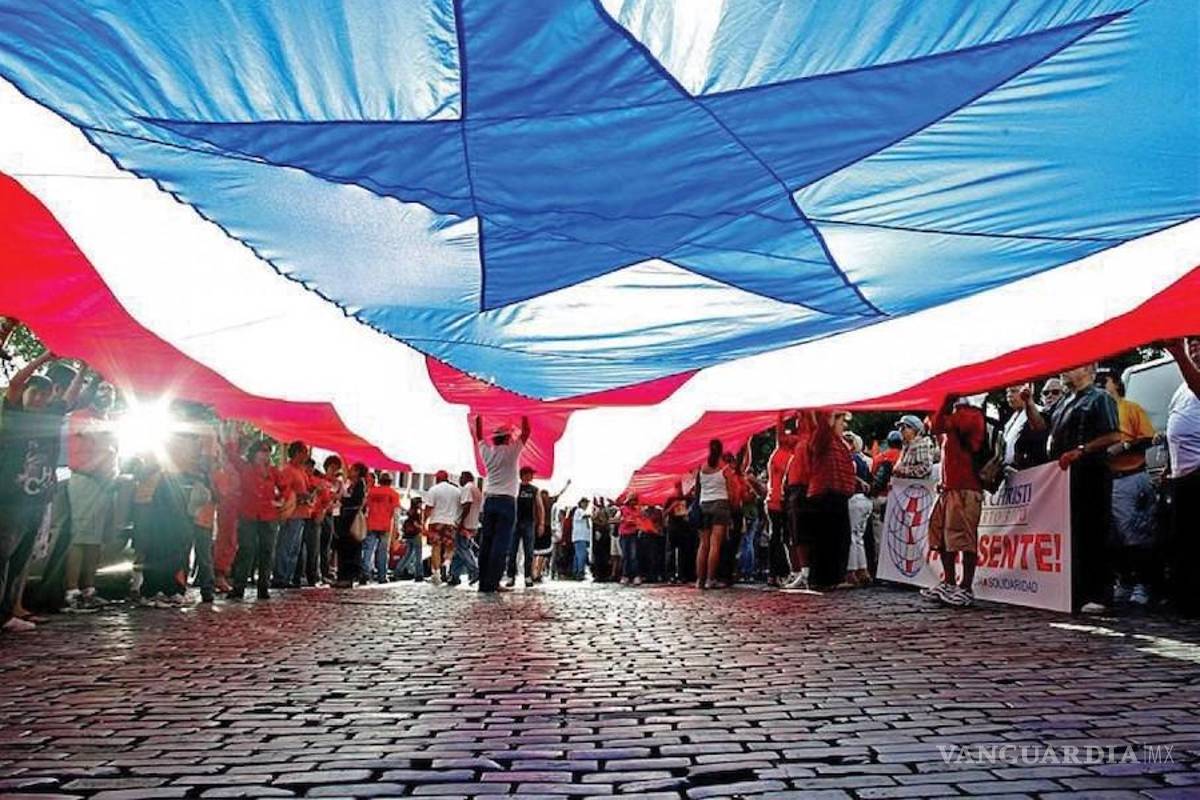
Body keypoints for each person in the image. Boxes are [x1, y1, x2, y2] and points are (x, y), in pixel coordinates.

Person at [1047, 363, 1121, 614]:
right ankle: (1075, 591)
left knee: (1093, 531)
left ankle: (1099, 594)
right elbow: (1042, 428)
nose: (1065, 370)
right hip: (1066, 478)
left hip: (1091, 473)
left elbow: (1113, 436)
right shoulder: (1064, 402)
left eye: (1073, 366)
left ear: (1089, 368)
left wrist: (1081, 450)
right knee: (1073, 533)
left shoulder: (1099, 398)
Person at [0, 351, 64, 631]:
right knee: (1, 557)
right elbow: (16, 382)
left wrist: (86, 368)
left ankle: (6, 614)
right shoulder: (14, 416)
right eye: (34, 392)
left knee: (19, 562)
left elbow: (70, 399)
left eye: (44, 395)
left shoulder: (49, 420)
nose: (39, 398)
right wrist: (45, 358)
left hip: (37, 500)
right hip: (10, 499)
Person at [1097, 371, 1157, 606]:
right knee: (1112, 536)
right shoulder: (1098, 412)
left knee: (1136, 532)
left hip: (1130, 476)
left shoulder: (1130, 408)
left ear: (1117, 384)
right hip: (1106, 480)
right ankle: (1125, 581)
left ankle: (1143, 584)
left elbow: (1147, 438)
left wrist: (1123, 446)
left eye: (1105, 380)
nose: (1101, 384)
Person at [922, 396, 987, 607]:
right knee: (941, 537)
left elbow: (937, 425)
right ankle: (949, 582)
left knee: (964, 538)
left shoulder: (971, 415)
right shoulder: (957, 415)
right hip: (949, 488)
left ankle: (966, 587)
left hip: (966, 487)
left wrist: (943, 401)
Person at [62, 381, 118, 611]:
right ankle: (71, 592)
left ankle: (89, 589)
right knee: (81, 536)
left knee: (95, 539)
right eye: (102, 388)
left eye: (111, 390)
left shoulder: (110, 420)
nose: (107, 394)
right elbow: (98, 443)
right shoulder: (80, 415)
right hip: (86, 478)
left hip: (105, 483)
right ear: (92, 391)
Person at [474, 415, 530, 593]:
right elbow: (526, 433)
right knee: (501, 543)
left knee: (486, 542)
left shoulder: (487, 452)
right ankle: (493, 582)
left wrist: (479, 419)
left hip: (490, 501)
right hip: (507, 502)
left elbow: (479, 437)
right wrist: (525, 414)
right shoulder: (511, 452)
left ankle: (483, 582)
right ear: (507, 438)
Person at [1165, 337, 1200, 616]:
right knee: (1183, 541)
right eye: (1191, 344)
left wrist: (1178, 355)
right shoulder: (1180, 388)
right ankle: (1186, 599)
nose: (1195, 347)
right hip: (1181, 474)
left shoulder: (1191, 379)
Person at [806, 411, 858, 590]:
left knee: (839, 539)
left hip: (837, 495)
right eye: (842, 421)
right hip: (826, 494)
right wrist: (828, 418)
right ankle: (823, 580)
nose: (844, 426)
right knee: (826, 540)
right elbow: (821, 430)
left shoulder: (839, 443)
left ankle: (833, 578)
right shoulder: (824, 438)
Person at [228, 440, 281, 600]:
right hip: (248, 514)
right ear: (254, 453)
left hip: (268, 515)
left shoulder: (273, 471)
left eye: (267, 451)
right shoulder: (245, 467)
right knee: (246, 550)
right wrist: (233, 438)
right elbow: (232, 455)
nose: (265, 454)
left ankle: (263, 588)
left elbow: (286, 487)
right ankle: (239, 588)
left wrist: (281, 500)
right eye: (262, 451)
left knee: (267, 551)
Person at [695, 438, 735, 590]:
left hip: (704, 505)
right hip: (721, 505)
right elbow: (731, 492)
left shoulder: (702, 468)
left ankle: (700, 580)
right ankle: (711, 579)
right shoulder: (725, 469)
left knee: (703, 545)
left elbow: (697, 490)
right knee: (715, 544)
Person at [782, 413, 815, 589]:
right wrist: (780, 416)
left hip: (805, 488)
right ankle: (804, 571)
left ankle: (807, 571)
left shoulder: (811, 439)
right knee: (797, 533)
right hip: (796, 490)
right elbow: (781, 438)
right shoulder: (799, 440)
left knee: (803, 532)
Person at [272, 440, 311, 588]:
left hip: (301, 514)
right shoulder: (288, 470)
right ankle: (280, 577)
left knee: (294, 548)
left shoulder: (301, 471)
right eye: (304, 452)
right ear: (297, 453)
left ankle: (287, 577)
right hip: (292, 514)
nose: (306, 455)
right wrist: (299, 496)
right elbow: (283, 491)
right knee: (286, 547)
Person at [843, 431, 872, 587]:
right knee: (858, 537)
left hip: (854, 499)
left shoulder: (850, 459)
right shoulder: (862, 460)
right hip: (864, 500)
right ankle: (863, 570)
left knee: (853, 537)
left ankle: (851, 571)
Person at [506, 466, 543, 588]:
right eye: (530, 474)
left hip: (529, 522)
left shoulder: (534, 490)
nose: (532, 476)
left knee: (529, 551)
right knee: (512, 551)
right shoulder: (515, 487)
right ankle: (511, 576)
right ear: (524, 475)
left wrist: (541, 523)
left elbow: (539, 507)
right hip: (514, 522)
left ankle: (528, 576)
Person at [332, 462, 368, 588]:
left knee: (349, 550)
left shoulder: (360, 484)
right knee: (344, 549)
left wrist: (341, 499)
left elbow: (356, 501)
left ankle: (347, 578)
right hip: (345, 520)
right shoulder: (351, 484)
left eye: (352, 469)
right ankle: (343, 576)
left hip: (350, 521)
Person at [362, 472, 400, 584]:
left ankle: (365, 573)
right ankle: (382, 576)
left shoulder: (372, 492)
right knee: (383, 552)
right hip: (385, 525)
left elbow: (365, 506)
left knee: (369, 550)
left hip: (371, 524)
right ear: (390, 482)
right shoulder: (394, 494)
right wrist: (396, 529)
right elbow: (395, 513)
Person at [424, 470, 460, 585]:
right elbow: (460, 508)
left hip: (436, 521)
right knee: (450, 547)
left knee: (436, 547)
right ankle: (446, 564)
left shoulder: (434, 489)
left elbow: (429, 507)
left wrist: (424, 520)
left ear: (437, 478)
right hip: (451, 522)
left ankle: (437, 574)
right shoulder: (456, 491)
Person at [448, 471, 482, 586]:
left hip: (465, 524)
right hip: (473, 523)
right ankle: (454, 575)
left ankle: (474, 570)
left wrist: (461, 523)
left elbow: (467, 505)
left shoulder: (467, 488)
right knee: (459, 551)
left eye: (461, 477)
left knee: (462, 549)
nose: (459, 480)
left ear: (466, 478)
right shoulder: (476, 489)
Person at [663, 481, 694, 584]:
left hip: (685, 528)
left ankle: (682, 575)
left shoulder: (688, 499)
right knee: (670, 552)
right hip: (673, 527)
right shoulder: (670, 499)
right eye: (678, 487)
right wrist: (672, 506)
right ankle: (670, 576)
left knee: (683, 553)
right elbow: (664, 513)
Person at [892, 415, 935, 480]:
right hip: (905, 487)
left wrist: (902, 470)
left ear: (914, 429)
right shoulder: (907, 445)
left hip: (917, 487)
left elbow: (925, 468)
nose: (900, 430)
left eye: (903, 427)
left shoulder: (921, 444)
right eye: (899, 428)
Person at [396, 496, 425, 581]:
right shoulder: (417, 513)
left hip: (408, 535)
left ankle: (398, 571)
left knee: (407, 554)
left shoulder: (410, 511)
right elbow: (417, 524)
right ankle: (419, 574)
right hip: (416, 535)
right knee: (418, 555)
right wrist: (422, 529)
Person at [616, 495, 640, 585]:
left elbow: (639, 521)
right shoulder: (622, 509)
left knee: (633, 556)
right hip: (624, 534)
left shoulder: (637, 511)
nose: (634, 502)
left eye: (635, 501)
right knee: (625, 556)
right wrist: (623, 519)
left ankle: (635, 576)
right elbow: (616, 518)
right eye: (632, 501)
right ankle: (625, 576)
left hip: (633, 534)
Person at [571, 497, 592, 580]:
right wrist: (593, 514)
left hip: (582, 537)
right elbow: (585, 516)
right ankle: (580, 572)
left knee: (578, 555)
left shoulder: (581, 511)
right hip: (580, 537)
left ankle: (576, 571)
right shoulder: (579, 511)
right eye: (585, 503)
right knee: (581, 555)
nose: (586, 504)